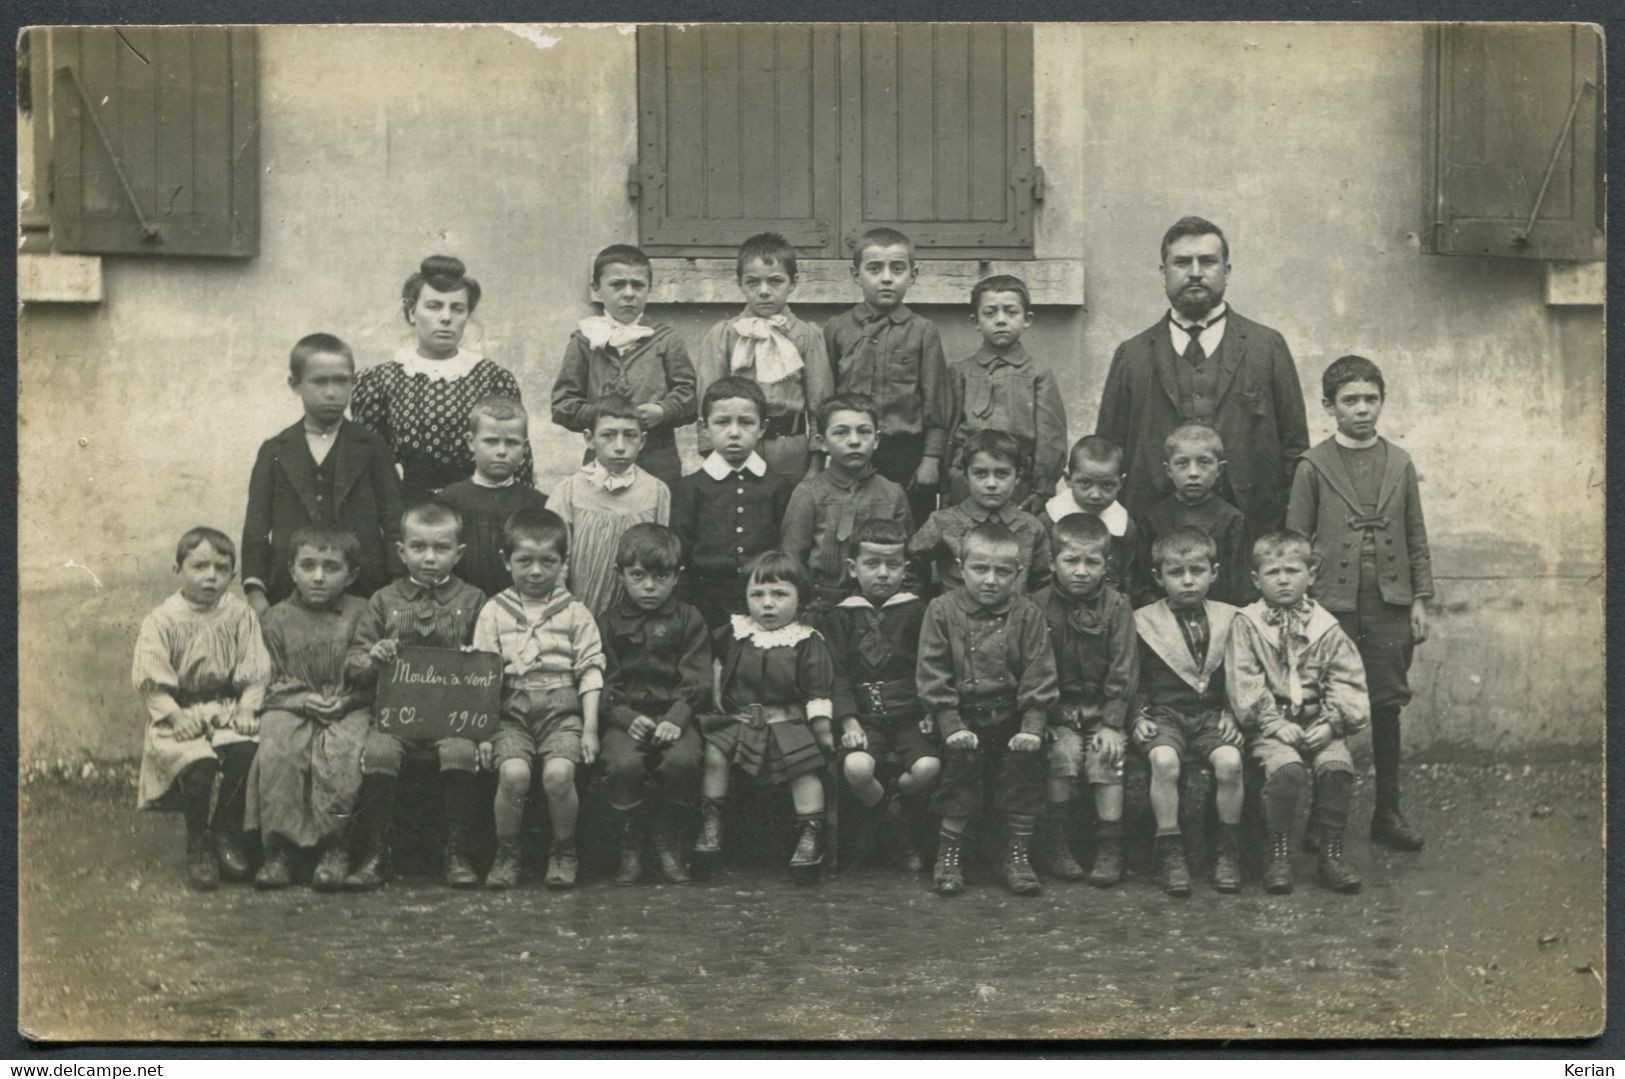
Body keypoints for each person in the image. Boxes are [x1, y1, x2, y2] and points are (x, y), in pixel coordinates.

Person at [1287, 355, 1433, 852]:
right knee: (1325, 705)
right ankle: (1321, 820)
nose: (1363, 409)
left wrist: (1419, 600)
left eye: (1371, 399)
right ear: (1329, 406)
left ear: (1382, 402)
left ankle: (1387, 812)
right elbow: (1294, 542)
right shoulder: (1313, 465)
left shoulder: (1400, 462)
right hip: (1332, 605)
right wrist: (1299, 607)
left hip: (1389, 602)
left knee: (1387, 705)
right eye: (1351, 400)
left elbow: (1416, 535)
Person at [1096, 216, 1309, 538]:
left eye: (1207, 261)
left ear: (1227, 270)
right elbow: (1108, 451)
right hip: (1155, 532)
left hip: (1250, 530)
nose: (1195, 272)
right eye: (1181, 262)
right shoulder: (1133, 355)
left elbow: (1294, 448)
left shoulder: (1267, 347)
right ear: (1163, 272)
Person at [343, 502, 486, 890]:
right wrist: (374, 658)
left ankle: (457, 851)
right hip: (395, 715)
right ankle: (377, 851)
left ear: (459, 553)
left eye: (441, 548)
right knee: (379, 752)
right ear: (401, 551)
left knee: (459, 752)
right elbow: (354, 661)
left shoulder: (474, 601)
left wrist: (476, 659)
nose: (429, 558)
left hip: (451, 717)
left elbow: (495, 660)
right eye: (418, 547)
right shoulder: (384, 600)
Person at [917, 522, 1059, 898]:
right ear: (961, 567)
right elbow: (932, 671)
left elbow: (1038, 673)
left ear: (1018, 573)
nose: (991, 580)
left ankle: (1017, 855)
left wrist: (1032, 724)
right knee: (961, 768)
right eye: (980, 569)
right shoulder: (941, 610)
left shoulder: (1027, 615)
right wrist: (949, 722)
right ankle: (949, 855)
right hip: (962, 715)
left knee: (1023, 770)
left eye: (1002, 571)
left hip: (1011, 715)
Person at [1227, 531, 1370, 895]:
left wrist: (1332, 722)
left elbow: (1346, 679)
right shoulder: (1247, 623)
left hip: (1319, 721)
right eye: (1272, 572)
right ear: (1256, 579)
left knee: (1336, 768)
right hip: (1271, 726)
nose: (1283, 579)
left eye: (1293, 570)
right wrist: (1273, 723)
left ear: (1311, 574)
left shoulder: (1326, 626)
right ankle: (1279, 854)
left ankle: (1331, 853)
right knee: (1287, 769)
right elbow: (1244, 681)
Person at [473, 508, 605, 891]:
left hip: (562, 710)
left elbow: (590, 670)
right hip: (510, 710)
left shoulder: (576, 613)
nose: (535, 571)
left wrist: (590, 729)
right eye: (524, 561)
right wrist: (482, 731)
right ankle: (507, 851)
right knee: (513, 775)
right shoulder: (495, 611)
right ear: (506, 561)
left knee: (559, 775)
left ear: (564, 562)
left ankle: (564, 849)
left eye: (548, 562)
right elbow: (483, 675)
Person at [131, 527, 270, 891]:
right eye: (200, 566)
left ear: (233, 576)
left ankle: (225, 831)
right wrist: (174, 715)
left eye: (221, 569)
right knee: (200, 764)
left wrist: (246, 709)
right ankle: (199, 843)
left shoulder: (240, 616)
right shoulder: (163, 620)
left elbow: (255, 670)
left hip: (226, 707)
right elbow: (150, 678)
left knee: (245, 750)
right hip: (181, 712)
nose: (211, 576)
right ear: (178, 569)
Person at [694, 552, 836, 880]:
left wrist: (823, 729)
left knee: (804, 767)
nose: (767, 604)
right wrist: (717, 696)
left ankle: (810, 832)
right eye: (757, 595)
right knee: (715, 751)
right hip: (741, 721)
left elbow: (818, 690)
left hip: (787, 722)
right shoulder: (736, 633)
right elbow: (715, 664)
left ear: (800, 599)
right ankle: (711, 822)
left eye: (779, 594)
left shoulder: (805, 640)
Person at [246, 526, 372, 891]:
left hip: (348, 703)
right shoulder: (275, 619)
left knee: (343, 753)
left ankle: (336, 845)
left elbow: (372, 672)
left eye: (331, 567)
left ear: (352, 575)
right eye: (308, 566)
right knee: (278, 747)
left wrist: (348, 700)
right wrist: (301, 700)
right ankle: (279, 849)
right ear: (291, 571)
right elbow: (263, 679)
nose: (318, 576)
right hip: (290, 701)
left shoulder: (363, 613)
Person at [241, 333, 404, 614]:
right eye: (319, 382)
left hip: (363, 588)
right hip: (289, 591)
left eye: (341, 381)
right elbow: (256, 529)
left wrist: (395, 585)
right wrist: (256, 592)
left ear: (353, 383)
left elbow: (394, 522)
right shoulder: (275, 450)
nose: (331, 392)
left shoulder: (372, 446)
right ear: (295, 385)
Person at [352, 256, 535, 504]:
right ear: (411, 313)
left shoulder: (494, 379)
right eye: (434, 306)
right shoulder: (379, 380)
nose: (446, 317)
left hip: (482, 507)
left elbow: (519, 460)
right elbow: (368, 466)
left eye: (457, 308)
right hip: (412, 511)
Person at [818, 518, 939, 872]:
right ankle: (890, 818)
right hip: (865, 717)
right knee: (856, 767)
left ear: (905, 568)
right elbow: (836, 674)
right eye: (872, 564)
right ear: (853, 569)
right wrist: (849, 720)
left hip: (910, 715)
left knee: (929, 767)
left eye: (893, 564)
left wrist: (931, 710)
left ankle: (895, 806)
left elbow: (931, 665)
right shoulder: (840, 617)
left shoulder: (918, 612)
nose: (883, 574)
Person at [1131, 526, 1246, 896]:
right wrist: (1136, 716)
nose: (1187, 581)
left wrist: (1233, 712)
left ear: (1214, 573)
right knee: (1164, 761)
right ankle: (1170, 846)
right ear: (1158, 577)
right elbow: (1129, 676)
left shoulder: (1232, 617)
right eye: (1176, 573)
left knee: (1230, 762)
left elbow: (1243, 672)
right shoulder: (1143, 620)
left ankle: (1227, 849)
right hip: (1165, 714)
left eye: (1196, 571)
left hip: (1212, 714)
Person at [597, 523, 712, 885]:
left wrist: (677, 717)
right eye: (638, 575)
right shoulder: (608, 622)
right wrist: (621, 715)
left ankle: (668, 842)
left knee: (683, 761)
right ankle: (630, 847)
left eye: (661, 576)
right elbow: (602, 680)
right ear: (620, 576)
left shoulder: (689, 619)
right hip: (625, 720)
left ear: (677, 577)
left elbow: (696, 677)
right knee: (623, 764)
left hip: (674, 716)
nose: (649, 586)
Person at [1031, 514, 1138, 887]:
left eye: (1092, 562)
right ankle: (1057, 844)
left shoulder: (1117, 606)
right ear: (1051, 563)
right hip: (1057, 711)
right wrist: (1043, 716)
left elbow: (1124, 667)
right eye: (1070, 561)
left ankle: (1110, 845)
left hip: (1102, 709)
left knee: (1107, 755)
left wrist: (1112, 722)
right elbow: (1033, 667)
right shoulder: (1036, 606)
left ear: (1106, 566)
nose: (1081, 571)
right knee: (1061, 755)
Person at [824, 227, 951, 526]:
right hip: (851, 448)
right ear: (856, 275)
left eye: (897, 269)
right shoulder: (837, 329)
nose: (886, 278)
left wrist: (931, 459)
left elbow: (936, 403)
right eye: (874, 268)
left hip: (905, 451)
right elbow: (826, 397)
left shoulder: (923, 331)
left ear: (913, 275)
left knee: (908, 525)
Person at [551, 244, 697, 489]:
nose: (629, 293)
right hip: (602, 455)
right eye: (617, 285)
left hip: (657, 458)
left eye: (638, 285)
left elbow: (690, 397)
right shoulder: (585, 341)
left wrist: (662, 411)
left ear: (649, 289)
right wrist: (601, 417)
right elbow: (562, 405)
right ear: (597, 289)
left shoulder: (666, 340)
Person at [694, 232, 834, 482]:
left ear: (793, 283)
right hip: (736, 447)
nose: (764, 291)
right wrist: (711, 456)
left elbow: (820, 404)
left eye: (775, 281)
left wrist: (816, 464)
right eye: (753, 282)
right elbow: (707, 400)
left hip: (791, 450)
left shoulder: (807, 336)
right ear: (740, 284)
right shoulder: (725, 335)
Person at [670, 377, 794, 630]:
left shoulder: (778, 486)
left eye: (746, 422)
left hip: (762, 604)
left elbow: (785, 549)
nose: (734, 432)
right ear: (705, 427)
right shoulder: (689, 488)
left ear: (762, 427)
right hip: (703, 605)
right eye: (722, 422)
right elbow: (679, 552)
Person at [944, 274, 1067, 511]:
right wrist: (947, 484)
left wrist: (1043, 487)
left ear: (1027, 319)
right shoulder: (960, 371)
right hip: (966, 482)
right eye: (990, 313)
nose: (1001, 320)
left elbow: (1051, 437)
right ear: (976, 321)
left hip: (1019, 483)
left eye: (1011, 312)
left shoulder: (1038, 373)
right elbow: (949, 430)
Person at [781, 393, 913, 611]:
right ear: (822, 442)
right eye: (841, 432)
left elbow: (909, 559)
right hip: (821, 606)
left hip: (881, 605)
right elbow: (792, 558)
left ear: (876, 440)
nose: (854, 441)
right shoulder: (808, 493)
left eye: (864, 432)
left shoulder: (892, 493)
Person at [550, 394, 672, 617]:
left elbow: (664, 559)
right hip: (578, 612)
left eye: (630, 436)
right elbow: (554, 560)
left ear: (642, 441)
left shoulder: (657, 492)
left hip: (637, 618)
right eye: (608, 435)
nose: (620, 446)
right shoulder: (568, 491)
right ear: (589, 438)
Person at [910, 429, 1051, 595]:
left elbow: (1044, 582)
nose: (991, 483)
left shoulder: (1031, 527)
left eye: (1001, 473)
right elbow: (911, 561)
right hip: (956, 617)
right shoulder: (944, 522)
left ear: (1018, 476)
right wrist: (919, 603)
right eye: (980, 473)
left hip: (1014, 617)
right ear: (965, 476)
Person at [437, 396, 550, 598]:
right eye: (491, 441)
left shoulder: (538, 504)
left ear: (525, 448)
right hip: (460, 607)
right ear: (471, 443)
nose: (501, 451)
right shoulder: (449, 501)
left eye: (512, 443)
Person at [1134, 423, 1252, 607]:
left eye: (1204, 462)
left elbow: (1240, 588)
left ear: (1219, 469)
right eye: (1182, 463)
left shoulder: (1232, 519)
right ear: (1168, 470)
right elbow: (1141, 580)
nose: (1193, 473)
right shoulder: (1153, 518)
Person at [1045, 435, 1141, 596]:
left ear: (1121, 483)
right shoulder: (1049, 521)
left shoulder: (1124, 526)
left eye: (1107, 485)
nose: (1095, 494)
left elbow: (1126, 574)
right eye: (1085, 483)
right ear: (1068, 479)